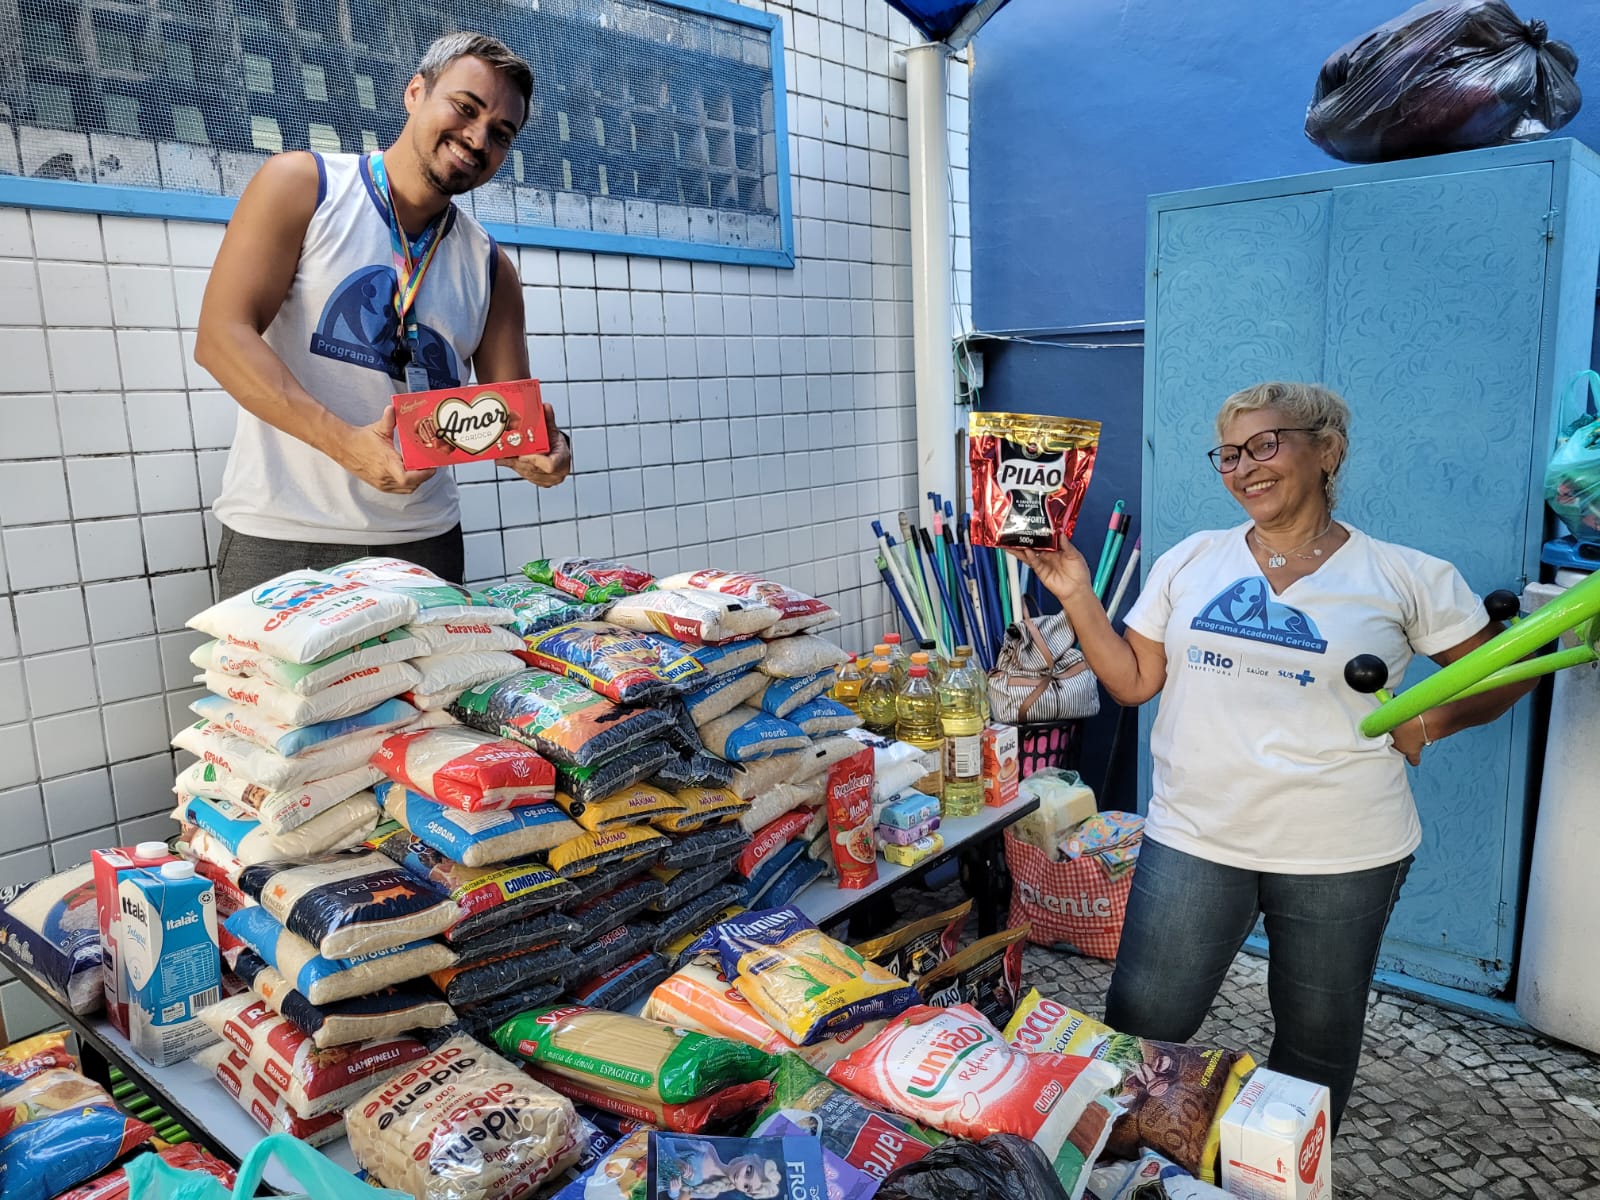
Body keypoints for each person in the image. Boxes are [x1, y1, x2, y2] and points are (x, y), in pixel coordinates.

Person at [1014, 381, 1537, 1129]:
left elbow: (1506, 672)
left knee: (1314, 1045)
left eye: (1266, 445)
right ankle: (1122, 1164)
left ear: (1327, 452)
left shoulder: (1404, 576)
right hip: (1197, 834)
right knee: (1140, 1025)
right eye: (1229, 454)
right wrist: (1075, 593)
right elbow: (1133, 683)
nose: (1244, 468)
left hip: (1343, 848)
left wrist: (1429, 722)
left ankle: (1280, 1170)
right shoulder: (1193, 559)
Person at [196, 32, 572, 596]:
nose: (477, 138)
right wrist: (348, 445)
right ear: (415, 92)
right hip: (285, 533)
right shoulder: (305, 186)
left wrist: (544, 450)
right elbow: (221, 338)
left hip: (425, 541)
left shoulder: (492, 267)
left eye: (501, 134)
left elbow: (507, 422)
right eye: (465, 108)